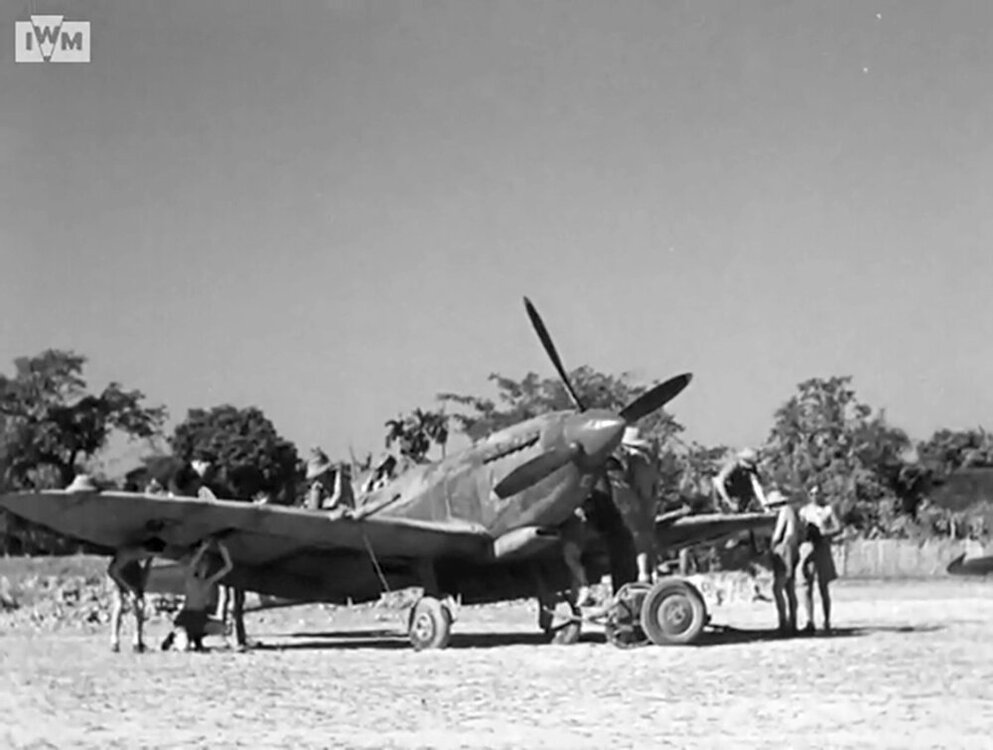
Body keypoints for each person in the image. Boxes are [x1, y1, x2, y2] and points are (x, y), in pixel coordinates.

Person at [607, 426, 662, 584]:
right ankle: (652, 572)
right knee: (647, 535)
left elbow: (642, 489)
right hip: (647, 502)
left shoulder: (638, 462)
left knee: (639, 535)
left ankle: (644, 573)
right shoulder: (649, 461)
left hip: (639, 503)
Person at [161, 538, 233, 652]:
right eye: (203, 565)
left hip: (201, 617)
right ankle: (175, 635)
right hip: (186, 618)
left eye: (206, 566)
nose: (205, 568)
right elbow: (191, 565)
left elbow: (228, 567)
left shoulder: (207, 582)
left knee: (223, 628)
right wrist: (202, 549)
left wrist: (223, 549)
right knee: (184, 648)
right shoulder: (191, 581)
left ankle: (196, 637)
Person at [107, 538, 167, 653]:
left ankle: (137, 641)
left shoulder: (145, 557)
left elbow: (144, 576)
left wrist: (138, 592)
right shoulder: (127, 553)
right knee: (119, 605)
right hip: (116, 577)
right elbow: (113, 571)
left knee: (138, 607)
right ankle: (114, 640)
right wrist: (129, 589)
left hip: (132, 576)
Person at [798, 484, 842, 634]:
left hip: (822, 548)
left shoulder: (827, 510)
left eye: (818, 493)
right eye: (812, 493)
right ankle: (810, 621)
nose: (815, 496)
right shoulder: (804, 511)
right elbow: (800, 529)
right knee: (807, 586)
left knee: (823, 587)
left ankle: (827, 620)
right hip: (809, 548)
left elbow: (838, 527)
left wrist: (825, 533)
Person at [766, 489, 803, 635]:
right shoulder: (792, 511)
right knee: (789, 588)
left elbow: (778, 534)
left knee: (778, 588)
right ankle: (792, 623)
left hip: (784, 548)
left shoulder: (784, 511)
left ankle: (783, 622)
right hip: (792, 548)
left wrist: (771, 547)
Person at [714, 448, 769, 513]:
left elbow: (757, 486)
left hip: (738, 487)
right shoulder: (733, 464)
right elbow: (719, 482)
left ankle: (741, 508)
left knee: (749, 487)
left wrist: (765, 505)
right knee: (715, 483)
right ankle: (718, 508)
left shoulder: (751, 468)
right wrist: (729, 503)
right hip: (726, 488)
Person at [305, 448, 355, 512]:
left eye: (318, 476)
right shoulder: (319, 484)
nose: (317, 480)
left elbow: (337, 496)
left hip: (346, 511)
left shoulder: (340, 478)